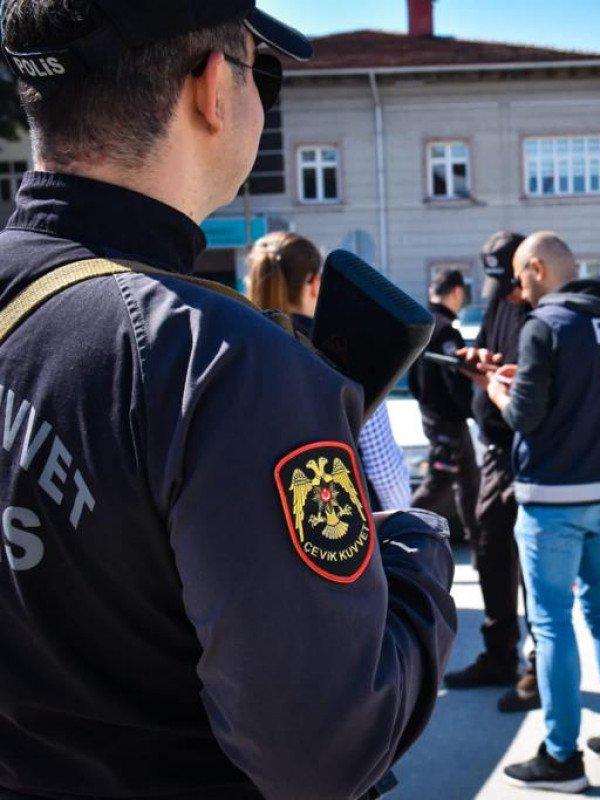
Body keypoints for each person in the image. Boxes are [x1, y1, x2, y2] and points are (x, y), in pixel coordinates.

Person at [0, 3, 455, 798]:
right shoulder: (221, 360)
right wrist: (416, 553)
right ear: (214, 89)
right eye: (262, 71)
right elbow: (324, 753)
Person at [480, 232, 600, 793]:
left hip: (554, 497)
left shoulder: (545, 326)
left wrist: (496, 389)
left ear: (538, 270)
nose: (517, 288)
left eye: (521, 276)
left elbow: (524, 417)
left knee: (551, 624)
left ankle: (560, 755)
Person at [442, 231, 542, 713]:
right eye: (496, 280)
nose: (504, 291)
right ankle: (499, 652)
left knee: (531, 564)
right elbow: (485, 354)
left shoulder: (540, 314)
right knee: (490, 546)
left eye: (509, 280)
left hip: (527, 448)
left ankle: (538, 666)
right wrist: (474, 361)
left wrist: (510, 380)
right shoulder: (503, 303)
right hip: (495, 449)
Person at [246, 231, 412, 511]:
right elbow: (384, 470)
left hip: (258, 526)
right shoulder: (345, 354)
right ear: (314, 283)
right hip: (342, 527)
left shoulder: (235, 350)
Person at [409, 268, 480, 541]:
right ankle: (394, 529)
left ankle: (480, 542)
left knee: (470, 483)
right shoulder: (447, 332)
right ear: (457, 292)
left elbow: (412, 377)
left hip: (434, 416)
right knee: (438, 484)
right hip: (448, 421)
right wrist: (471, 409)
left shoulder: (424, 325)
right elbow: (456, 382)